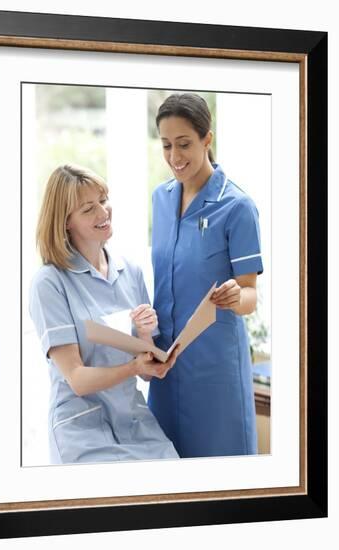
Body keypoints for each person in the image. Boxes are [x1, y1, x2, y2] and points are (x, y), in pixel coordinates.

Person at [29, 164, 179, 464]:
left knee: (179, 487)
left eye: (103, 199)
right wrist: (134, 368)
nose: (103, 212)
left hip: (134, 421)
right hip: (81, 428)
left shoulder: (129, 271)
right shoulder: (50, 282)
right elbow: (77, 379)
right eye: (88, 208)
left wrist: (147, 338)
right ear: (65, 222)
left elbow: (147, 370)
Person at [148, 93, 264, 458]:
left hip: (216, 373)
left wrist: (235, 295)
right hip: (166, 368)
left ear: (207, 139)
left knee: (223, 485)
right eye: (166, 145)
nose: (174, 157)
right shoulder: (160, 199)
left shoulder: (238, 207)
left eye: (184, 144)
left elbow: (250, 295)